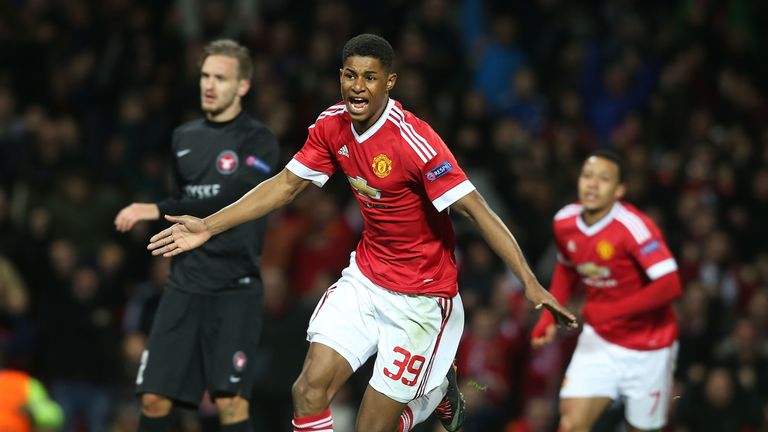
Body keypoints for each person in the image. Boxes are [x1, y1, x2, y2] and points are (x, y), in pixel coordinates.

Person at [147, 34, 577, 432]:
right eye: (350, 75)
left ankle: (439, 392)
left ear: (389, 81)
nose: (358, 86)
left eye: (370, 77)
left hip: (422, 299)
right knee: (308, 392)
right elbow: (284, 185)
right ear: (340, 77)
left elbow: (478, 211)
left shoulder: (415, 142)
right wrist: (207, 225)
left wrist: (529, 281)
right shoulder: (332, 125)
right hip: (367, 280)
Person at [114, 39, 279, 432]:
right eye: (205, 76)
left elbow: (236, 194)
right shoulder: (183, 137)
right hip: (185, 284)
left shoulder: (260, 140)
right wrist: (154, 206)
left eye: (220, 78)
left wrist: (153, 209)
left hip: (235, 287)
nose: (209, 85)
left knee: (230, 404)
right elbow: (185, 199)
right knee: (153, 399)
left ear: (242, 86)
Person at [531, 149, 682, 432]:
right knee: (570, 424)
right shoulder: (564, 222)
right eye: (587, 176)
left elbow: (670, 283)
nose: (592, 184)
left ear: (619, 190)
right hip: (600, 341)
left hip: (650, 346)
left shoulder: (634, 227)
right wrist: (548, 318)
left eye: (604, 179)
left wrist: (608, 311)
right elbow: (566, 269)